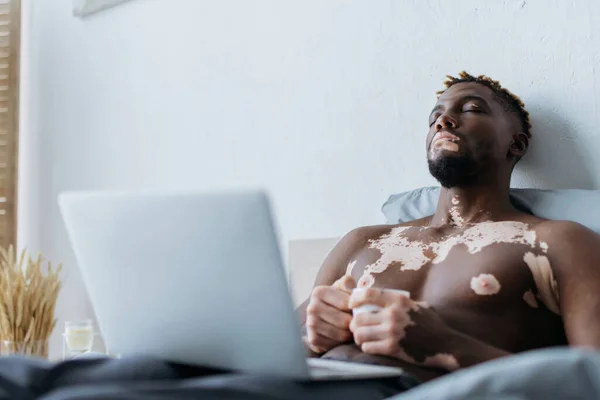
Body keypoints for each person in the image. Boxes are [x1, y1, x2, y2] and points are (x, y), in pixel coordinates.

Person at [298, 71, 600, 392]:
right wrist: (311, 336)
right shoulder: (363, 241)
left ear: (517, 144)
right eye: (434, 117)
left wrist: (445, 345)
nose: (444, 121)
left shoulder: (555, 241)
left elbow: (593, 380)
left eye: (471, 109)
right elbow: (264, 355)